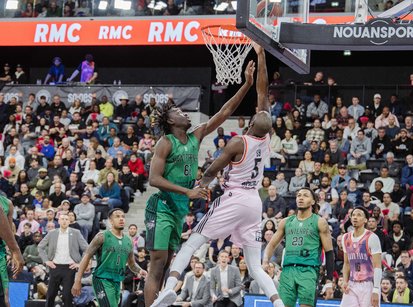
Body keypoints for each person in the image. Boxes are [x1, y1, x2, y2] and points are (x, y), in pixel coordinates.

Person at [153, 45, 284, 307]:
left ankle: (169, 288)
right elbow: (263, 90)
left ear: (248, 124)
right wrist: (260, 56)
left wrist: (201, 186)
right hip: (254, 202)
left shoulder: (238, 142)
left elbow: (212, 170)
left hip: (234, 198)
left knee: (192, 244)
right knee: (255, 265)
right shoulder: (266, 136)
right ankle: (278, 303)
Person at [145, 59, 255, 306]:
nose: (184, 113)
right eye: (178, 112)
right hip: (161, 206)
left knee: (168, 266)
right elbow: (154, 179)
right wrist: (189, 190)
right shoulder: (165, 142)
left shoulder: (195, 136)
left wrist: (247, 84)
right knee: (158, 264)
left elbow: (225, 112)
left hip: (178, 209)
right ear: (171, 122)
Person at [262, 187, 333, 307]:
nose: (300, 198)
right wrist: (265, 261)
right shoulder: (286, 222)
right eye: (299, 195)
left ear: (313, 201)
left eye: (305, 195)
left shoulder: (319, 222)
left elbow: (329, 253)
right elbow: (272, 244)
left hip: (308, 270)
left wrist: (329, 281)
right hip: (287, 271)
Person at [72, 208, 148, 306]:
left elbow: (131, 264)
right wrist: (77, 280)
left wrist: (140, 271)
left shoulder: (128, 241)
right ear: (111, 221)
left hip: (117, 281)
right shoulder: (102, 236)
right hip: (101, 279)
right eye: (117, 216)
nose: (121, 219)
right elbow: (86, 257)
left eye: (123, 216)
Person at [38, 213, 89, 307]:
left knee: (67, 296)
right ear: (59, 221)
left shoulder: (76, 232)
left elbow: (87, 249)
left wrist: (79, 263)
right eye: (62, 219)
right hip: (54, 267)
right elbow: (40, 247)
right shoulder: (52, 233)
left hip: (69, 268)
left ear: (69, 221)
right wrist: (46, 261)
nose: (64, 221)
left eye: (66, 219)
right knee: (50, 295)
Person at [340, 206, 382, 307]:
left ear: (365, 220)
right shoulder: (345, 238)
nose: (355, 217)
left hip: (368, 284)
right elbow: (346, 263)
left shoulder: (372, 237)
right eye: (353, 215)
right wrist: (345, 281)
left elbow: (378, 266)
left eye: (359, 215)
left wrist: (376, 289)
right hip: (352, 283)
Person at [0, 194, 23, 307]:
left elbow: (9, 231)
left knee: (4, 298)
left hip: (1, 251)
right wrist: (16, 251)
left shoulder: (7, 203)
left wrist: (12, 251)